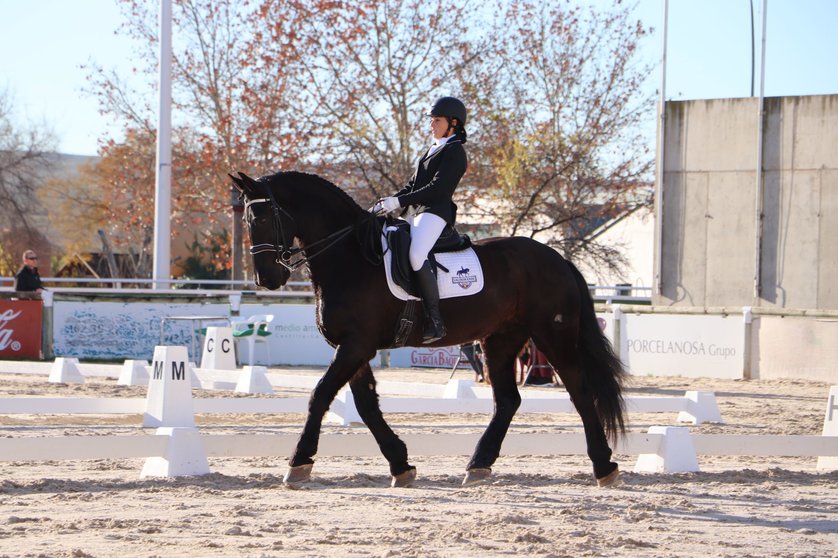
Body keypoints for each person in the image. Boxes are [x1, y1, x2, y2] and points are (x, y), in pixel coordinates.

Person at [374, 96, 469, 343]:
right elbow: (412, 185)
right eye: (432, 120)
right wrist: (390, 201)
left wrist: (400, 203)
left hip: (435, 211)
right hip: (415, 212)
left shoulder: (455, 151)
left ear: (453, 123)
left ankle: (435, 321)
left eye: (437, 120)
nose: (432, 125)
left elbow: (438, 189)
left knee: (416, 254)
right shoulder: (432, 148)